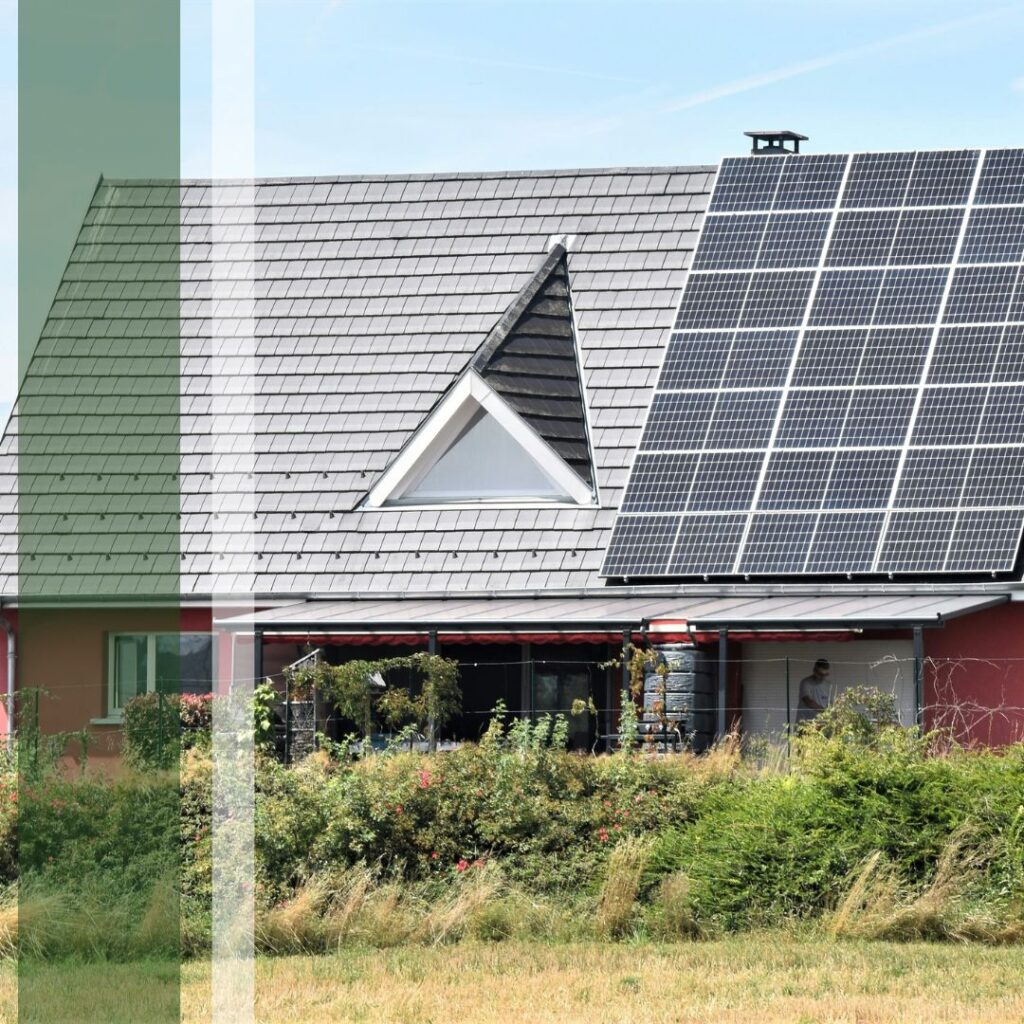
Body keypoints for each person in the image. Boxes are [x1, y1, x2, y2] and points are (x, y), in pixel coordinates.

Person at [797, 658, 833, 724]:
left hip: (822, 723)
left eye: (825, 675)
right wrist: (824, 711)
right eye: (820, 674)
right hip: (806, 722)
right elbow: (807, 701)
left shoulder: (828, 685)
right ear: (814, 671)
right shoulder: (806, 683)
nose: (822, 677)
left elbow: (831, 704)